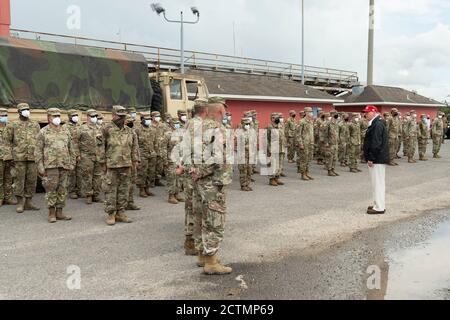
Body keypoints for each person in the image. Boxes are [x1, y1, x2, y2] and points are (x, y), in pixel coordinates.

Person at [192, 97, 233, 275]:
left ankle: (202, 255)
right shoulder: (217, 129)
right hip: (214, 182)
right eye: (224, 111)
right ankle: (211, 263)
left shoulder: (197, 126)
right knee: (215, 221)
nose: (224, 114)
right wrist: (200, 171)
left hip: (201, 183)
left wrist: (194, 171)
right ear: (219, 111)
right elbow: (217, 158)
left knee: (201, 218)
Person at [35, 108, 75, 223]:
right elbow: (38, 150)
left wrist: (72, 163)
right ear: (49, 118)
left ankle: (60, 212)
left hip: (64, 165)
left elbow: (71, 148)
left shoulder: (65, 131)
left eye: (58, 115)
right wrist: (40, 167)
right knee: (51, 189)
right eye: (54, 116)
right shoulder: (43, 132)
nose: (57, 118)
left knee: (62, 189)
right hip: (50, 166)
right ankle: (51, 213)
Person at [102, 106, 140, 226]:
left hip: (126, 164)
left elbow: (134, 147)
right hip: (112, 164)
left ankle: (121, 212)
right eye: (119, 116)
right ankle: (111, 214)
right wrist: (102, 163)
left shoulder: (130, 131)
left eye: (123, 116)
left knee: (124, 189)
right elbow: (100, 147)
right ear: (113, 115)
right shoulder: (106, 129)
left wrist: (135, 160)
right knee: (111, 190)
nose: (121, 118)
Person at [7, 103, 41, 213]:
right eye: (23, 109)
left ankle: (29, 202)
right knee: (19, 180)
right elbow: (7, 142)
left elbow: (39, 141)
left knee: (32, 180)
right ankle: (20, 203)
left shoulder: (35, 124)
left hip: (32, 157)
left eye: (27, 109)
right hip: (18, 157)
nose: (26, 111)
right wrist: (9, 157)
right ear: (19, 112)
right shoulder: (13, 125)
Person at [363, 105, 389, 215]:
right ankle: (378, 204)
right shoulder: (376, 123)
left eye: (367, 112)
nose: (365, 114)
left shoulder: (377, 124)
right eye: (365, 112)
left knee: (378, 183)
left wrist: (371, 158)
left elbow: (376, 143)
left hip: (377, 159)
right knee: (377, 183)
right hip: (378, 158)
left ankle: (379, 207)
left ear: (374, 112)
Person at [77, 109, 105, 204]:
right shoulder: (82, 128)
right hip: (86, 156)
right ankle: (88, 195)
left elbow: (102, 143)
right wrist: (77, 154)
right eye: (92, 116)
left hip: (98, 156)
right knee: (87, 176)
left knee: (98, 176)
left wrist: (103, 155)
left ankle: (96, 195)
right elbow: (74, 142)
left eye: (95, 116)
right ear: (87, 117)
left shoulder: (100, 128)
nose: (94, 118)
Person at [135, 112, 156, 197]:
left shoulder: (152, 129)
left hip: (151, 153)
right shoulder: (137, 129)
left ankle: (147, 188)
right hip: (142, 154)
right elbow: (135, 144)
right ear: (142, 120)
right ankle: (142, 189)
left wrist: (155, 152)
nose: (149, 121)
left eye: (149, 119)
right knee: (142, 172)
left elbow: (155, 142)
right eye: (147, 119)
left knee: (150, 172)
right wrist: (136, 157)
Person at [63, 109, 81, 199]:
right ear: (69, 117)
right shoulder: (65, 127)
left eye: (76, 115)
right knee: (71, 173)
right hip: (71, 152)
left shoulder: (80, 125)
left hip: (80, 152)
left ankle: (79, 190)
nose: (75, 117)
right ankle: (72, 191)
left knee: (80, 172)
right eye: (73, 115)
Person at [0, 108, 15, 206]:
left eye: (5, 115)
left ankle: (8, 198)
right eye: (2, 116)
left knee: (9, 178)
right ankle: (0, 198)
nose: (4, 117)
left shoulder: (10, 126)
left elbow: (15, 141)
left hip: (9, 156)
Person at [266, 112, 286, 186]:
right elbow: (266, 139)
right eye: (273, 117)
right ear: (271, 118)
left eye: (277, 117)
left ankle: (277, 178)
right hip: (273, 148)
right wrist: (268, 149)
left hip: (281, 148)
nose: (275, 119)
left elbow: (283, 136)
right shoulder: (269, 126)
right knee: (273, 165)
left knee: (280, 164)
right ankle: (271, 179)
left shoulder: (281, 125)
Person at [295, 107, 314, 181]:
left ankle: (306, 173)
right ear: (305, 112)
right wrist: (300, 144)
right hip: (304, 143)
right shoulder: (301, 121)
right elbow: (298, 134)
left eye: (311, 111)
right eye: (310, 111)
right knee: (303, 159)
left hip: (310, 143)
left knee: (308, 159)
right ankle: (303, 174)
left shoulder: (310, 121)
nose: (311, 113)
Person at [236, 117, 255, 191]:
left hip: (250, 154)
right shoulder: (239, 132)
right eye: (246, 124)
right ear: (243, 124)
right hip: (242, 155)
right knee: (243, 170)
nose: (248, 125)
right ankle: (243, 185)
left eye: (249, 124)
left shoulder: (251, 132)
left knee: (249, 170)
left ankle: (247, 184)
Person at [320, 111, 340, 177]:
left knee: (334, 157)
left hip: (335, 143)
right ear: (332, 115)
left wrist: (338, 139)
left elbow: (337, 132)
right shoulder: (328, 123)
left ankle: (333, 169)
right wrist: (326, 142)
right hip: (330, 143)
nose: (336, 115)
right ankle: (329, 170)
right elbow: (324, 133)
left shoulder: (336, 123)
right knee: (330, 157)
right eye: (335, 114)